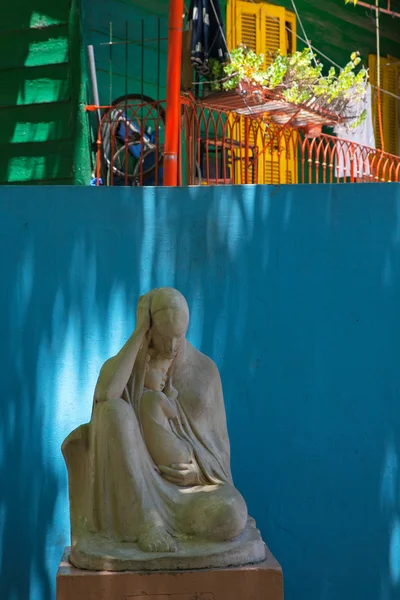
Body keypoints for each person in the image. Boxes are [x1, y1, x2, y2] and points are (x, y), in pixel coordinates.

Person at [65, 287, 248, 555]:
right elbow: (105, 394)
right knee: (112, 410)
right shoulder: (126, 368)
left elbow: (220, 453)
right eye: (164, 337)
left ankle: (170, 526)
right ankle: (146, 525)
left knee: (234, 513)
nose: (172, 347)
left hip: (188, 495)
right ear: (150, 327)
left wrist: (197, 471)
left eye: (179, 337)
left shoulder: (205, 374)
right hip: (137, 486)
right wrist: (138, 334)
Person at [140, 355, 193, 468]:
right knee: (188, 448)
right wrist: (171, 397)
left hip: (153, 455)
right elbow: (172, 413)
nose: (164, 378)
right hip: (171, 454)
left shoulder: (136, 399)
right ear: (145, 369)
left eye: (166, 374)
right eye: (161, 371)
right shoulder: (158, 397)